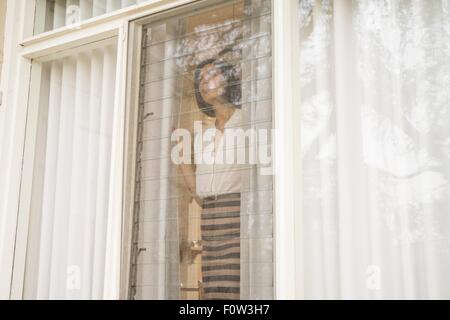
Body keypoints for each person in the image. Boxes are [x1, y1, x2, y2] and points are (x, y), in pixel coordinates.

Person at [178, 56, 242, 300]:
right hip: (210, 216)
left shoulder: (248, 122)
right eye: (200, 80)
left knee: (237, 287)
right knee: (213, 289)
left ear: (229, 80)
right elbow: (200, 194)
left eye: (212, 75)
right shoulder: (204, 135)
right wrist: (183, 157)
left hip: (237, 212)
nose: (204, 83)